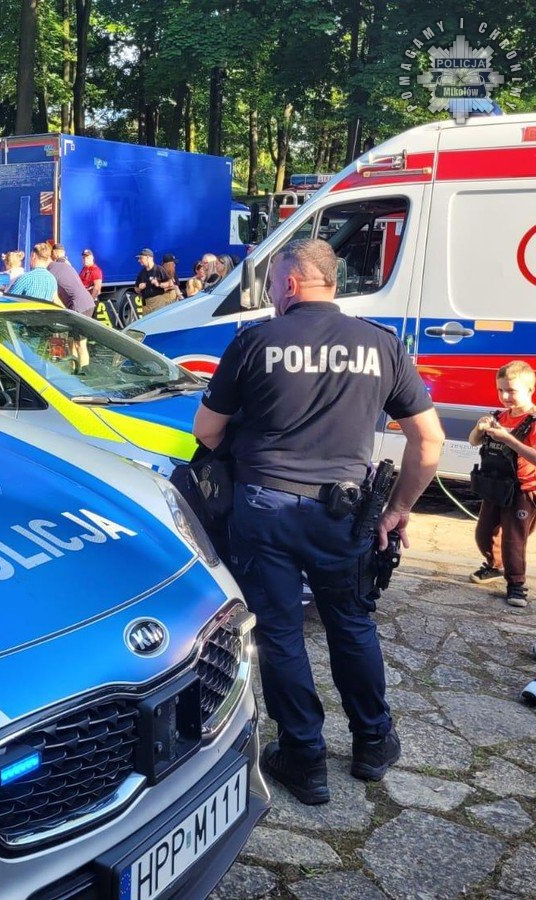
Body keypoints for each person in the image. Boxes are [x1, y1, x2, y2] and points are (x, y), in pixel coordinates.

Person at [192, 239, 444, 806]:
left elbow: (206, 431)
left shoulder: (255, 341)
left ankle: (304, 759)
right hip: (345, 515)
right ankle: (373, 743)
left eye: (273, 285)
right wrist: (398, 508)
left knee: (280, 633)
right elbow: (428, 441)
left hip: (265, 509)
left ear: (289, 283)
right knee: (351, 624)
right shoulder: (382, 344)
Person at [468, 360, 536, 607]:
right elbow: (473, 441)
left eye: (511, 391)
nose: (505, 396)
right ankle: (494, 565)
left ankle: (516, 586)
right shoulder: (499, 417)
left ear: (530, 389)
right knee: (484, 533)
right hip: (495, 486)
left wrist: (508, 439)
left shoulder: (533, 421)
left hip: (524, 489)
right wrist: (480, 428)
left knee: (513, 540)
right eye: (500, 390)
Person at [48, 243, 96, 315]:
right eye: (83, 257)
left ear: (55, 253)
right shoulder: (68, 264)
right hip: (86, 303)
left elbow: (97, 287)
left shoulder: (60, 265)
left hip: (78, 305)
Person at [135, 248, 176, 316]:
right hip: (146, 304)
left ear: (148, 257)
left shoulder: (159, 269)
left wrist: (159, 284)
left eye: (141, 258)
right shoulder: (141, 273)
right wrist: (139, 288)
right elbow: (136, 289)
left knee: (159, 321)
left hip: (158, 302)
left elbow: (170, 283)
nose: (139, 260)